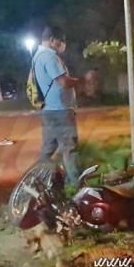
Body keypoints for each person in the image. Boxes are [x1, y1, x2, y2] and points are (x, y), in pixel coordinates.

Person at [34, 26, 82, 185]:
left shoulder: (37, 56)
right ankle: (75, 184)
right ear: (53, 40)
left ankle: (42, 181)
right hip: (60, 110)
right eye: (61, 41)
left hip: (48, 110)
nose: (63, 44)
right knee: (70, 147)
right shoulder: (49, 57)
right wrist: (81, 81)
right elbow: (62, 82)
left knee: (48, 148)